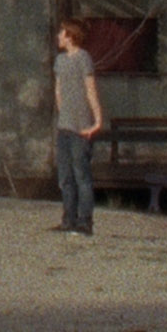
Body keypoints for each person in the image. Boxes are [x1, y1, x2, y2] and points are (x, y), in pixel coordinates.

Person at [54, 20, 105, 235]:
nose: (58, 36)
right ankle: (68, 219)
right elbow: (58, 90)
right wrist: (62, 112)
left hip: (81, 126)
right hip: (64, 125)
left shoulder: (83, 58)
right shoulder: (59, 60)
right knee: (65, 176)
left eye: (61, 33)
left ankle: (85, 222)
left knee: (81, 175)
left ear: (70, 36)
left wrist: (97, 120)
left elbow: (90, 90)